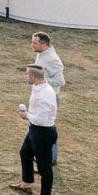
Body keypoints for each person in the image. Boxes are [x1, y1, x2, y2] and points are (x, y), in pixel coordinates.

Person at [10, 64, 58, 195]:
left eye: (27, 74)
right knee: (25, 153)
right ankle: (26, 184)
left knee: (44, 166)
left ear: (32, 76)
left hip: (42, 132)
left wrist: (27, 116)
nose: (26, 76)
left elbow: (42, 120)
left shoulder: (44, 95)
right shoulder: (40, 87)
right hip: (35, 129)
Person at [31, 32, 65, 164]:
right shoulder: (41, 54)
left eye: (34, 43)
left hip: (49, 98)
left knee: (46, 129)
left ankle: (51, 158)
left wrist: (40, 80)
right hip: (40, 96)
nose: (31, 45)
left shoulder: (52, 59)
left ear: (44, 45)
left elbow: (60, 81)